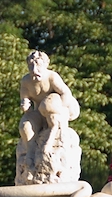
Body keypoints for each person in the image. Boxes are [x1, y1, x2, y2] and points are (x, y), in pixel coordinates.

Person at [16, 51, 82, 185]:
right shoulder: (26, 81)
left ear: (46, 65)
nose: (34, 70)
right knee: (25, 126)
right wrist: (25, 105)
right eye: (31, 67)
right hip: (40, 113)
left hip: (58, 108)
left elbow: (66, 94)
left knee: (47, 105)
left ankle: (52, 137)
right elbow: (26, 103)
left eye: (38, 66)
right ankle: (30, 151)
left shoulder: (52, 77)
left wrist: (58, 111)